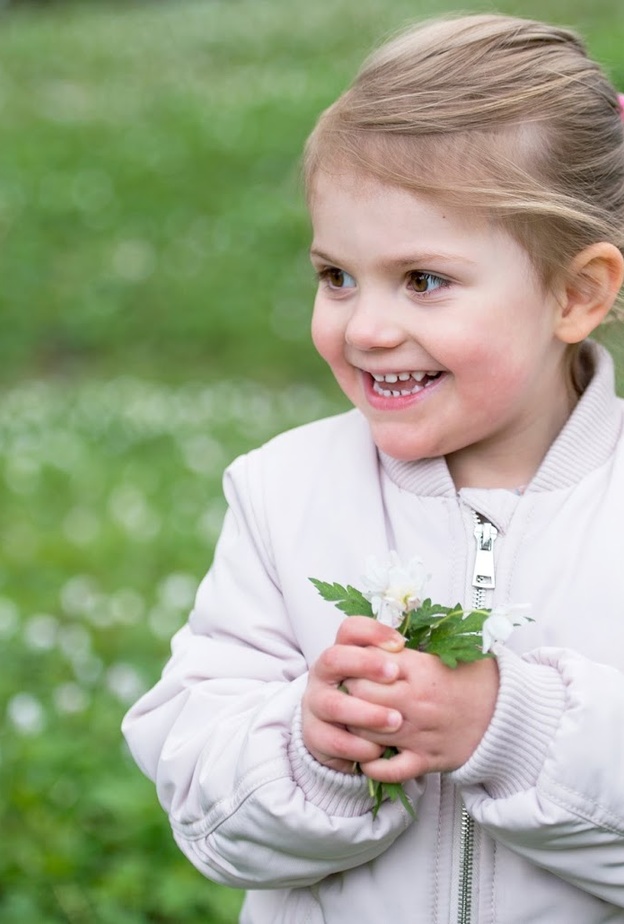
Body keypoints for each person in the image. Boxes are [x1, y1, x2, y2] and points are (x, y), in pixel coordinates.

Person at [122, 13, 624, 923]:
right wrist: (312, 751)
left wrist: (509, 728)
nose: (365, 327)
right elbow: (206, 805)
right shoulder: (284, 494)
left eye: (423, 280)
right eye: (336, 276)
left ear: (577, 293)